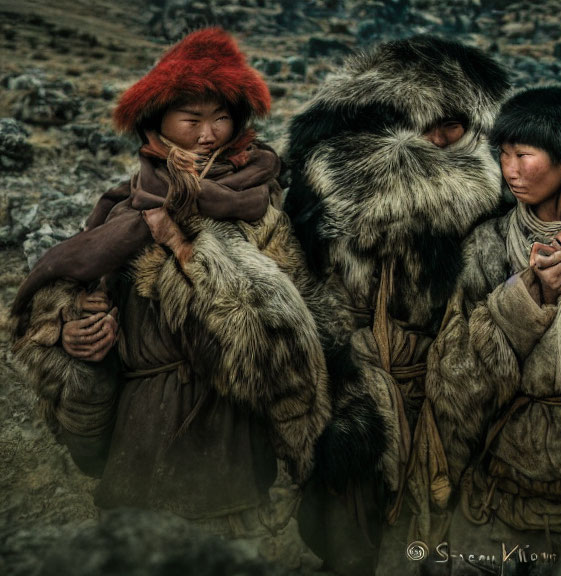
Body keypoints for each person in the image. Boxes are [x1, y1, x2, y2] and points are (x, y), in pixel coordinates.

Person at [10, 27, 329, 537]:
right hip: (142, 429)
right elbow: (68, 287)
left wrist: (185, 248)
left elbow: (278, 322)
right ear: (155, 124)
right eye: (192, 119)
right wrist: (72, 331)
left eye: (221, 118)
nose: (209, 135)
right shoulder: (121, 208)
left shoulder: (262, 209)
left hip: (227, 423)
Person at [282, 36, 510, 575]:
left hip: (449, 388)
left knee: (435, 522)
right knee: (354, 528)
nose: (433, 141)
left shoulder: (500, 197)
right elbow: (305, 286)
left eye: (449, 126)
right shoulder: (324, 191)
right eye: (416, 124)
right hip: (356, 381)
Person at [425, 86, 561, 574]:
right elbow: (453, 379)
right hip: (494, 497)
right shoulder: (486, 246)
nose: (509, 169)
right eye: (503, 154)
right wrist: (529, 298)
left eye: (524, 155)